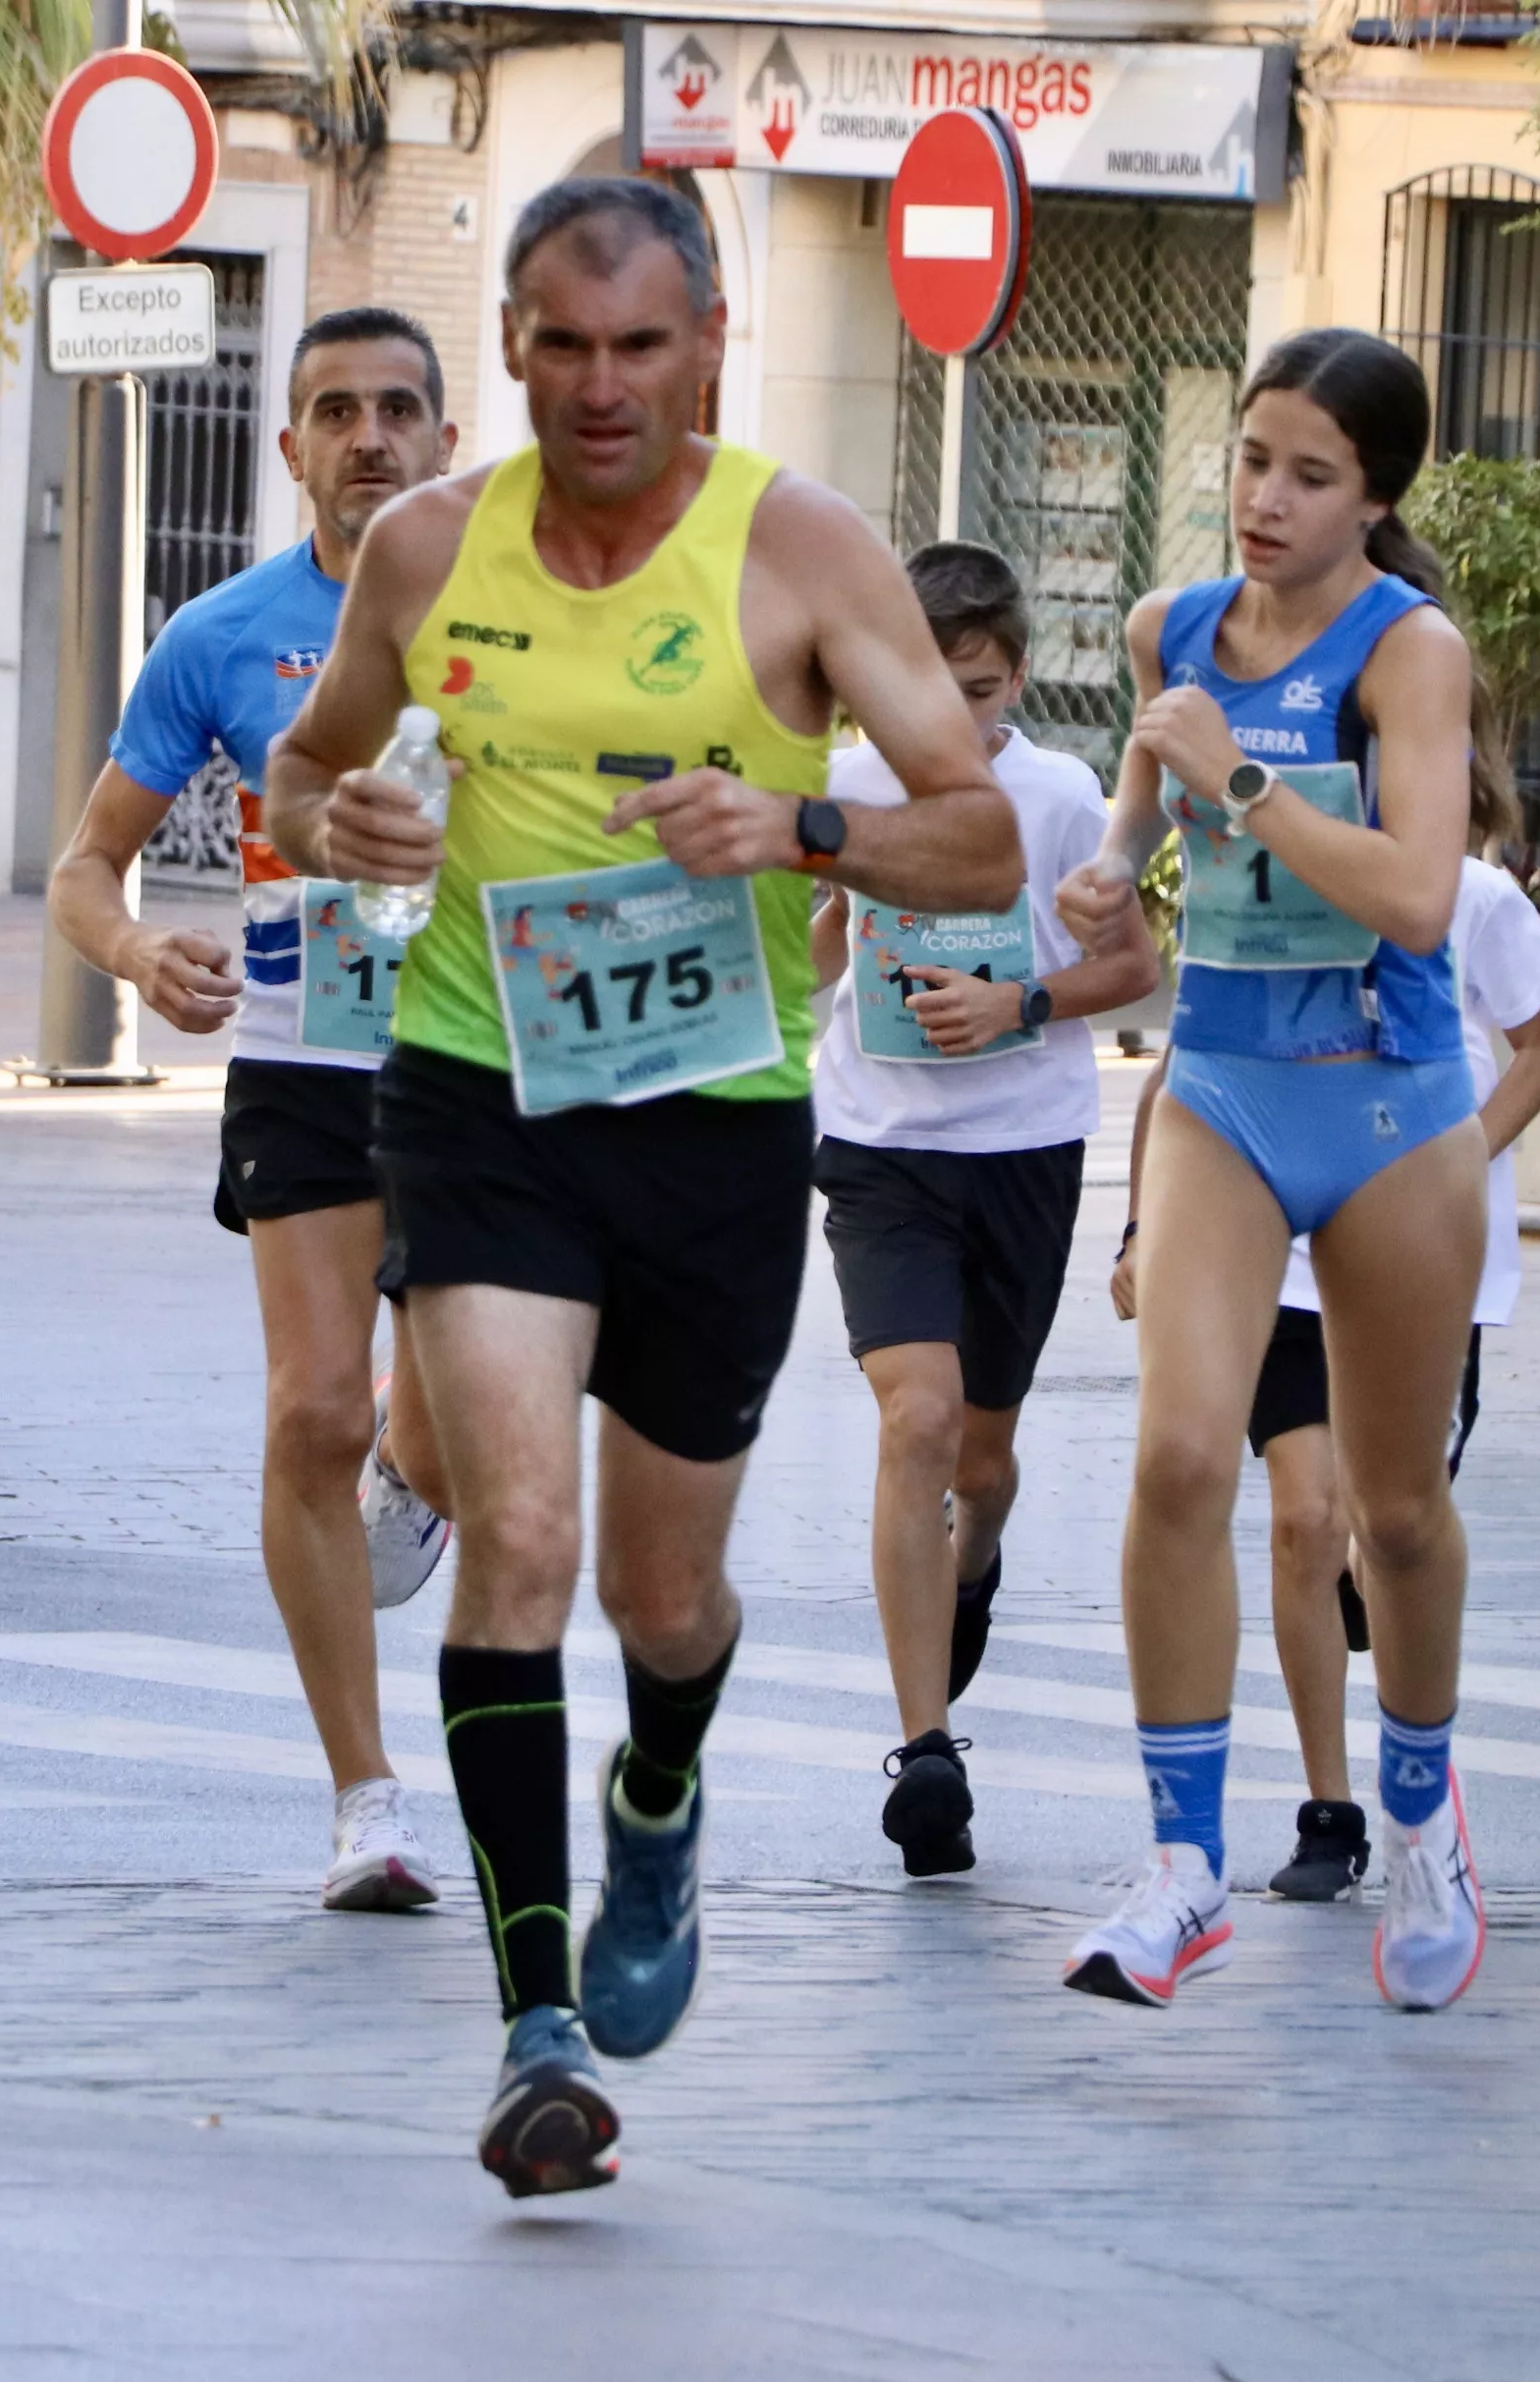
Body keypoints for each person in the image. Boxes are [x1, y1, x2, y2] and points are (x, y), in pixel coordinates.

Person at [262, 179, 1023, 2196]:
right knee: (514, 1528)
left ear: (707, 350)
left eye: (644, 345)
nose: (603, 386)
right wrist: (346, 824)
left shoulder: (801, 549)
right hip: (478, 1089)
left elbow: (978, 846)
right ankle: (531, 2023)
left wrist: (796, 821)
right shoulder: (429, 546)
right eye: (564, 343)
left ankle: (660, 1791)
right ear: (509, 346)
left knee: (656, 1589)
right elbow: (301, 781)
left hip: (712, 1113)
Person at [1052, 327, 1512, 2016]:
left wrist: (1234, 780)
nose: (1264, 497)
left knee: (1385, 1512)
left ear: (1372, 496)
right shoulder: (1169, 629)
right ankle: (1179, 1864)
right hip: (1224, 1089)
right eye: (1250, 458)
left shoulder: (1410, 651)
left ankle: (1415, 1813)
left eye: (1308, 474)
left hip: (1388, 1103)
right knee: (1179, 1456)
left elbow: (1409, 896)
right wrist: (1108, 880)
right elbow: (1134, 820)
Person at [46, 309, 464, 1916]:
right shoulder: (218, 637)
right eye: (332, 411)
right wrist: (142, 951)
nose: (366, 436)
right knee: (312, 1414)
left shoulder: (506, 612)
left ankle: (404, 1477)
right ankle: (365, 1801)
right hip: (300, 1063)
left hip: (476, 1058)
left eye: (396, 409)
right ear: (286, 446)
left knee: (438, 1435)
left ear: (443, 434)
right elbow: (85, 865)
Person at [1110, 855, 1540, 1903]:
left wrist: (1448, 1158)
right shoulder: (1254, 878)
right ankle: (1329, 1810)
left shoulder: (1469, 896)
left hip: (1411, 1246)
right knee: (1302, 1521)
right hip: (1273, 1247)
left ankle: (1419, 1774)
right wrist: (1144, 1225)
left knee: (1388, 1529)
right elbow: (1183, 1065)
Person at [803, 541, 1160, 1879]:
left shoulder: (1063, 798)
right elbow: (807, 961)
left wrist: (1019, 1003)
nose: (960, 720)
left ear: (1018, 674)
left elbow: (1132, 962)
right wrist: (833, 919)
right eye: (932, 689)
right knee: (919, 1418)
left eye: (984, 690)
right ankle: (927, 1753)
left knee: (983, 1465)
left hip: (1025, 1143)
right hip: (880, 1142)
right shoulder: (841, 788)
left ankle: (981, 1554)